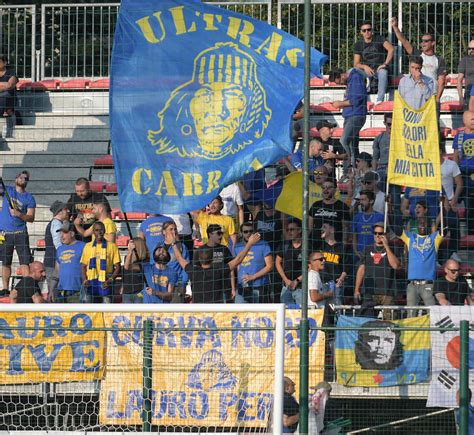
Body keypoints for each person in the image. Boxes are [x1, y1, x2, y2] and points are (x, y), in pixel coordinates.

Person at [148, 42, 271, 160]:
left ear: (250, 109)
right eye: (206, 97)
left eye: (231, 97)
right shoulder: (165, 158)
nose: (217, 111)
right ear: (186, 103)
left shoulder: (253, 158)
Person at [171, 232, 261, 303]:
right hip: (215, 310)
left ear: (199, 260)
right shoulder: (218, 271)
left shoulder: (193, 271)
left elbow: (180, 259)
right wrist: (249, 243)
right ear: (212, 259)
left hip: (198, 310)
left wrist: (173, 243)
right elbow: (238, 259)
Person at [391, 17, 447, 102]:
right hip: (417, 95)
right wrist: (395, 27)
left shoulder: (439, 60)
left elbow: (441, 81)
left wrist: (437, 99)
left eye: (426, 41)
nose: (423, 43)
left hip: (432, 95)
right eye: (422, 41)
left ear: (433, 43)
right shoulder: (418, 55)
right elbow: (404, 41)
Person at [394, 219, 442, 312]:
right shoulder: (410, 237)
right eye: (420, 224)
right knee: (411, 314)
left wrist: (444, 207)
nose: (423, 225)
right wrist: (389, 210)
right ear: (416, 227)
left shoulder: (434, 238)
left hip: (427, 284)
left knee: (432, 314)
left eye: (425, 223)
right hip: (412, 285)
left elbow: (445, 230)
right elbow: (396, 229)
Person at [0, 170, 36, 292]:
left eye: (25, 178)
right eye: (20, 177)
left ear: (27, 182)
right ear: (16, 179)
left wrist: (19, 214)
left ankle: (27, 287)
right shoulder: (8, 191)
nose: (22, 179)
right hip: (5, 233)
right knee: (5, 262)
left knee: (25, 262)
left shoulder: (29, 198)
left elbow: (31, 218)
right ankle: (5, 288)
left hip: (20, 233)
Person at [354, 223, 401, 309]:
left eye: (380, 233)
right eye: (375, 233)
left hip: (388, 293)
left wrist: (386, 246)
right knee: (369, 319)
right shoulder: (368, 249)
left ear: (386, 235)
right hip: (370, 292)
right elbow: (361, 270)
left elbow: (395, 266)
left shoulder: (393, 248)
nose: (377, 235)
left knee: (388, 320)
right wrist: (357, 289)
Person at [328, 68, 368, 169]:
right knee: (352, 145)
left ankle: (349, 165)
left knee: (344, 141)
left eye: (339, 82)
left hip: (356, 116)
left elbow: (357, 99)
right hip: (351, 116)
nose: (340, 84)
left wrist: (340, 104)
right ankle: (355, 168)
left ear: (342, 75)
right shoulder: (351, 81)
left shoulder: (355, 78)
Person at [80, 221, 121, 303]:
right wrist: (85, 280)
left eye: (101, 230)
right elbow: (83, 266)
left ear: (105, 230)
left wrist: (110, 280)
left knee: (107, 309)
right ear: (93, 232)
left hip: (105, 280)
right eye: (96, 230)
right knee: (90, 309)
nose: (99, 232)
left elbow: (118, 267)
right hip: (91, 281)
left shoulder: (112, 246)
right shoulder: (88, 246)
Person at [353, 21, 394, 103]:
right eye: (364, 30)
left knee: (383, 72)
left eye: (368, 29)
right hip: (367, 72)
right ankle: (355, 98)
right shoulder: (358, 44)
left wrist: (385, 64)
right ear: (361, 32)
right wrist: (365, 67)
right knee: (352, 72)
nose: (367, 32)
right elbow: (356, 64)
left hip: (379, 70)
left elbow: (391, 49)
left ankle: (380, 100)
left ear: (372, 30)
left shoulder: (379, 39)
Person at [233, 222, 273, 303]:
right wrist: (235, 287)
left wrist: (253, 277)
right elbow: (237, 267)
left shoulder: (264, 244)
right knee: (240, 313)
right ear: (241, 233)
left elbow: (270, 266)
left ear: (255, 232)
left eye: (251, 231)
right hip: (242, 286)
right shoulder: (238, 246)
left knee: (258, 314)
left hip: (259, 285)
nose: (248, 234)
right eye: (245, 232)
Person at [314, 222, 349, 305]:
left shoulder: (341, 247)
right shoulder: (319, 246)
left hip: (335, 285)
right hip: (321, 284)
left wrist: (340, 280)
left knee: (336, 310)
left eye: (324, 227)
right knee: (321, 310)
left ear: (332, 230)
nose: (321, 229)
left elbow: (346, 266)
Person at [66, 177, 110, 243]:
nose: (80, 194)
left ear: (88, 188)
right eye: (77, 191)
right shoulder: (73, 198)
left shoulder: (99, 197)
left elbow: (108, 216)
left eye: (82, 191)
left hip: (96, 235)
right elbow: (66, 216)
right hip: (78, 237)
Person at [309, 179, 350, 243]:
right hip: (316, 244)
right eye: (323, 188)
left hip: (334, 245)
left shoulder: (342, 206)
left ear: (335, 190)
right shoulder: (316, 205)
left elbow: (345, 228)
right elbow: (309, 227)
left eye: (329, 188)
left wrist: (343, 244)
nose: (325, 190)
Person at [440, 145, 463, 261]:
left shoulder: (451, 165)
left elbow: (459, 183)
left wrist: (454, 199)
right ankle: (438, 257)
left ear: (441, 151)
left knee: (454, 225)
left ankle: (453, 252)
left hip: (449, 201)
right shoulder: (427, 166)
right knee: (437, 230)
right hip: (434, 203)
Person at [43, 201, 69, 301]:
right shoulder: (56, 224)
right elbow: (58, 244)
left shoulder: (55, 224)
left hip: (53, 261)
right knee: (54, 292)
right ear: (60, 211)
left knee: (54, 291)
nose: (67, 212)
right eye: (65, 210)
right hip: (54, 263)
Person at [453, 111, 474, 234]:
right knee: (469, 206)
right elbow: (456, 157)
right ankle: (470, 234)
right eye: (471, 119)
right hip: (464, 175)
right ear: (464, 121)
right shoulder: (459, 137)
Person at [55, 222, 85, 303]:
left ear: (72, 233)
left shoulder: (83, 246)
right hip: (61, 291)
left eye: (64, 233)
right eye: (60, 233)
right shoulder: (59, 249)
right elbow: (57, 271)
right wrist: (52, 289)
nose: (61, 236)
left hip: (77, 291)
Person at [161, 220, 190, 303]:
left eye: (175, 229)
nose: (174, 231)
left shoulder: (181, 247)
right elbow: (153, 266)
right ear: (164, 232)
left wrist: (183, 284)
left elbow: (186, 268)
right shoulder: (158, 247)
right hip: (160, 286)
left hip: (176, 286)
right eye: (171, 229)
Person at [276, 220, 303, 306]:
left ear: (299, 230)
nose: (289, 232)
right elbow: (277, 262)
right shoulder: (285, 245)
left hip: (301, 288)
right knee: (286, 315)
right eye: (287, 230)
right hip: (286, 286)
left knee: (301, 313)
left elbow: (310, 267)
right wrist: (286, 280)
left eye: (292, 229)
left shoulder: (307, 246)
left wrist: (297, 280)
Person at [352, 190, 385, 258]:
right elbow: (354, 236)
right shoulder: (357, 217)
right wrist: (356, 251)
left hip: (375, 254)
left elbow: (384, 237)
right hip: (359, 255)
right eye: (360, 200)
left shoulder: (380, 217)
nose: (361, 202)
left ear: (371, 201)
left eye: (363, 200)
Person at [121, 238, 148, 303]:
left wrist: (130, 251)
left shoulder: (145, 261)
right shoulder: (127, 258)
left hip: (139, 292)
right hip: (127, 292)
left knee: (138, 312)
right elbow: (126, 270)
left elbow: (128, 267)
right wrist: (130, 252)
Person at [372, 113, 392, 190]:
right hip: (382, 168)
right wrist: (374, 173)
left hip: (396, 169)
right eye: (389, 124)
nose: (391, 126)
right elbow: (375, 158)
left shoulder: (401, 137)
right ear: (384, 123)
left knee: (395, 196)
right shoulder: (378, 138)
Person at [457, 40, 474, 109]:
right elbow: (459, 80)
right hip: (468, 94)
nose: (471, 50)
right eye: (469, 48)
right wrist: (460, 97)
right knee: (468, 118)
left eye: (473, 48)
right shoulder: (464, 60)